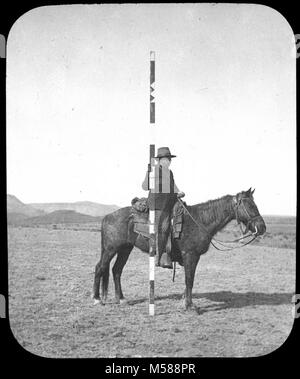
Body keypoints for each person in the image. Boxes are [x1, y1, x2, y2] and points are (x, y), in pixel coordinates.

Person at [142, 147, 185, 269]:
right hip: (157, 205)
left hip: (168, 204)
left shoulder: (170, 173)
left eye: (169, 159)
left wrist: (179, 192)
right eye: (165, 159)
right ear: (160, 160)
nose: (168, 162)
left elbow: (173, 187)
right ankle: (159, 257)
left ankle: (174, 253)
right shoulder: (154, 171)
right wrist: (148, 173)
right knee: (162, 228)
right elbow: (145, 187)